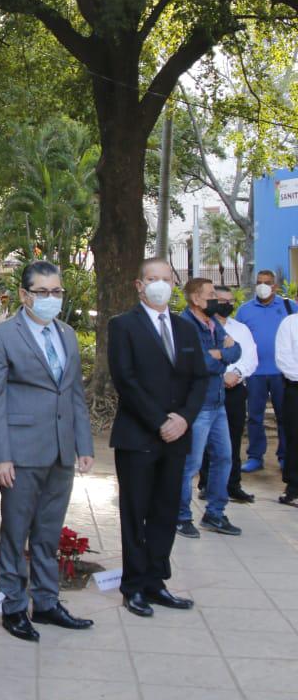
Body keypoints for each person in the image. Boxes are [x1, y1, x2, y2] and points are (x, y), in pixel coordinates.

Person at [0, 261, 94, 642]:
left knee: (48, 533)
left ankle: (46, 603)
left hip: (61, 450)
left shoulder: (67, 334)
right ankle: (13, 606)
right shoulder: (1, 336)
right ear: (25, 295)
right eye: (43, 293)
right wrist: (0, 456)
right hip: (21, 452)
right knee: (16, 532)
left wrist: (84, 445)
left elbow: (74, 393)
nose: (51, 299)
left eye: (57, 292)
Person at [108, 258, 207, 617]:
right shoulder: (123, 326)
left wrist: (183, 419)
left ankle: (155, 581)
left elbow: (200, 379)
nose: (159, 284)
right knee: (136, 513)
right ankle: (133, 586)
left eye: (166, 279)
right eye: (153, 278)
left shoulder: (185, 329)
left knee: (165, 512)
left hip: (177, 436)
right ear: (139, 284)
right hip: (138, 436)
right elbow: (126, 380)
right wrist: (159, 421)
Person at [176, 279, 242, 538]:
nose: (216, 298)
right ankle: (181, 516)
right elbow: (198, 364)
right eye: (211, 294)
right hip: (198, 404)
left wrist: (219, 355)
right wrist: (218, 356)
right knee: (190, 464)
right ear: (195, 298)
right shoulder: (184, 325)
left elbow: (236, 350)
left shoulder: (213, 322)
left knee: (224, 458)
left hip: (218, 403)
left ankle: (215, 513)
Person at [197, 284, 257, 503]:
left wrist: (237, 374)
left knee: (232, 438)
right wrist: (222, 375)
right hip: (210, 388)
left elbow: (250, 356)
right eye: (222, 301)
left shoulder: (241, 329)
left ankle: (233, 484)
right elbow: (204, 357)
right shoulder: (203, 327)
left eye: (231, 302)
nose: (227, 305)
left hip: (235, 389)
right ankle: (206, 484)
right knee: (206, 439)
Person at [236, 270, 296, 473]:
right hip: (254, 373)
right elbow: (238, 339)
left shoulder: (289, 307)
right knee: (254, 416)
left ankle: (285, 456)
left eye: (267, 282)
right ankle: (255, 456)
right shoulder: (244, 310)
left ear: (275, 286)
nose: (263, 286)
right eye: (259, 282)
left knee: (285, 416)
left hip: (283, 373)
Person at [274, 310, 298, 507]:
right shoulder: (290, 323)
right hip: (296, 386)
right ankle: (294, 488)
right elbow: (283, 358)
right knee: (295, 437)